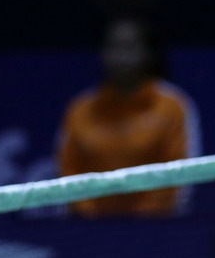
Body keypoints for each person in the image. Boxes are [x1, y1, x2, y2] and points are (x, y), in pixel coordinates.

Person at [56, 15, 200, 217]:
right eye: (114, 46)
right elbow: (68, 174)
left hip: (157, 229)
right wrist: (90, 219)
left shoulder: (173, 106)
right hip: (90, 230)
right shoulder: (80, 109)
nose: (122, 56)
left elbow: (179, 176)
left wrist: (140, 224)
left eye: (130, 46)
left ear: (148, 53)